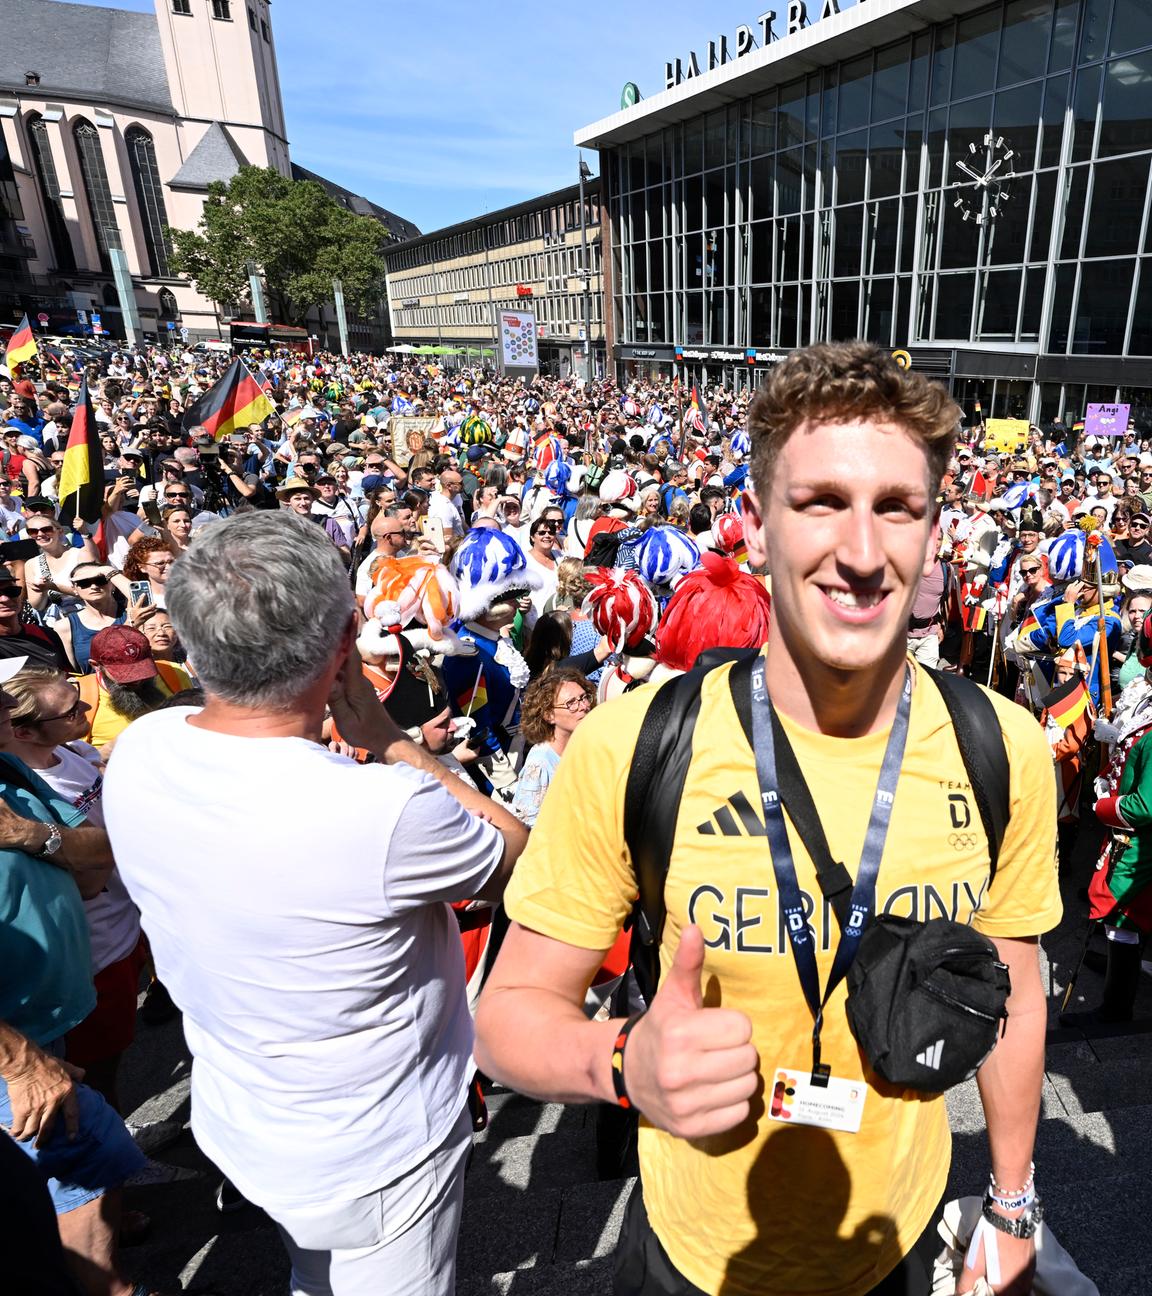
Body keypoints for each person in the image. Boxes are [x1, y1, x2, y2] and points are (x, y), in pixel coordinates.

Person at [475, 342, 1061, 1296]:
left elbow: (1018, 991)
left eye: (897, 508)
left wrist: (1011, 1202)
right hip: (692, 1253)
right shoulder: (633, 745)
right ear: (754, 522)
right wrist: (619, 1061)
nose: (864, 554)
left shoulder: (1003, 747)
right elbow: (504, 1017)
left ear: (934, 529)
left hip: (897, 1236)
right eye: (822, 501)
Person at [102, 511, 529, 1296]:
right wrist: (395, 742)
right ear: (340, 653)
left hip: (247, 1127)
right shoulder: (385, 809)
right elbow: (518, 855)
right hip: (377, 1159)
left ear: (194, 642)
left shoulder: (140, 750)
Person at [510, 668, 595, 828]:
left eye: (584, 698)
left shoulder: (585, 743)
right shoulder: (540, 763)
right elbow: (526, 824)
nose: (584, 706)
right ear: (549, 715)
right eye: (571, 703)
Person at [54, 563, 128, 674]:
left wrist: (108, 570)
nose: (94, 586)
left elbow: (142, 595)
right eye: (84, 583)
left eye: (100, 580)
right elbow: (73, 672)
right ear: (74, 589)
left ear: (112, 584)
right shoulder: (65, 626)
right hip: (95, 689)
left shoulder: (132, 612)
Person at [121, 537, 177, 611]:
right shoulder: (141, 600)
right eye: (160, 563)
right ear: (142, 568)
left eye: (171, 561)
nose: (169, 567)